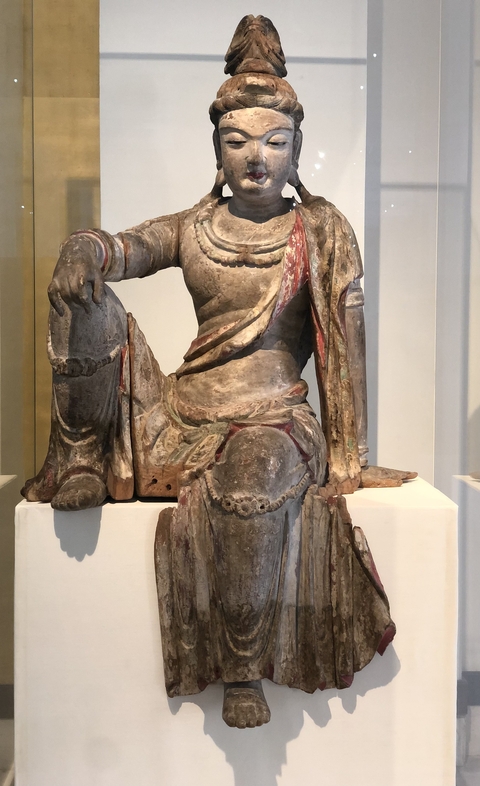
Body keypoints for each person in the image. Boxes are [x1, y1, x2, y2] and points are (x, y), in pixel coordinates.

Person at [22, 15, 414, 728]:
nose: (255, 157)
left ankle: (241, 666)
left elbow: (346, 355)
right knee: (82, 295)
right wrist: (86, 247)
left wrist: (351, 458)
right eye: (237, 141)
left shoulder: (318, 232)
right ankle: (80, 457)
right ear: (216, 149)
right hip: (178, 412)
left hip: (271, 418)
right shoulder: (193, 228)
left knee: (252, 476)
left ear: (297, 150)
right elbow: (127, 246)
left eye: (274, 141)